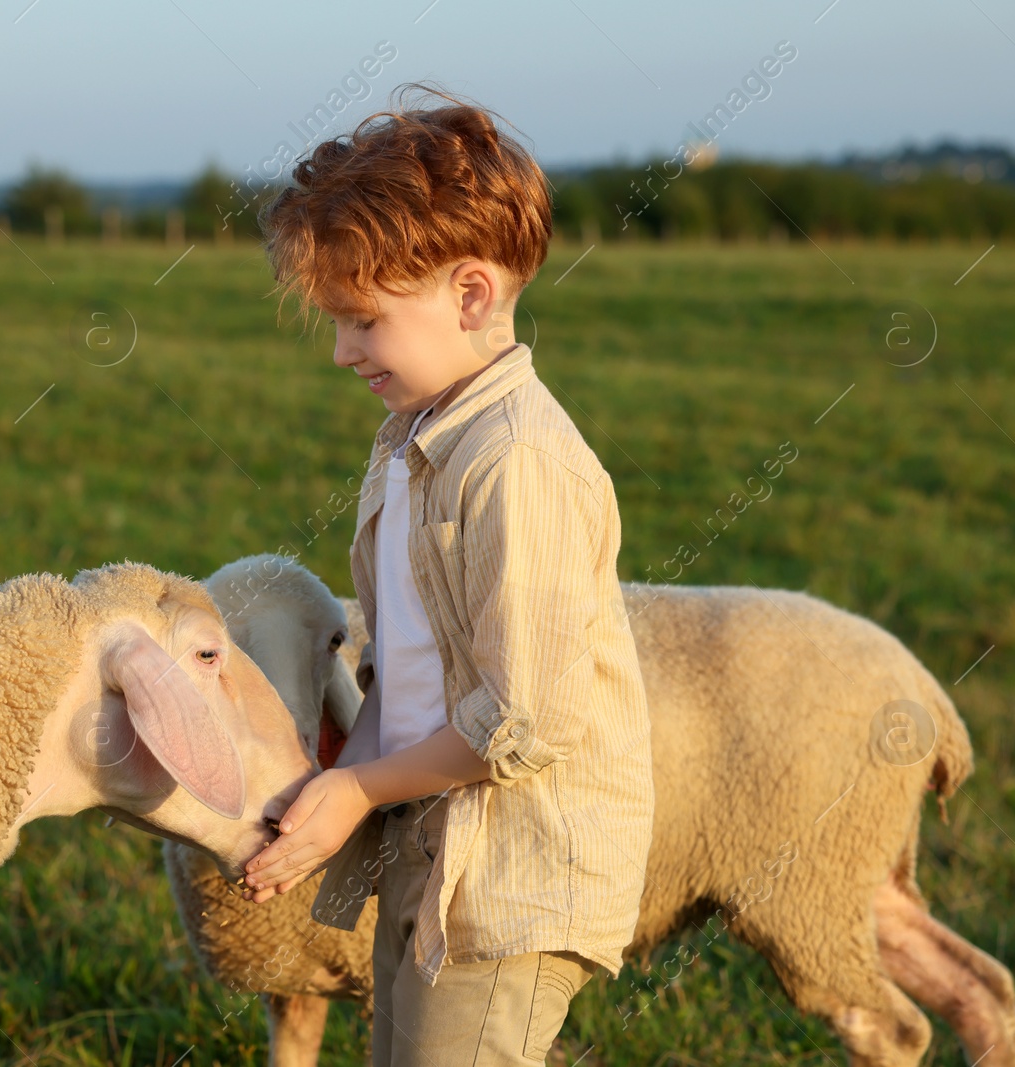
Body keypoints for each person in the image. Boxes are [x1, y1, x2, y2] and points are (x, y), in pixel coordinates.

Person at [241, 87, 656, 1066]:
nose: (342, 352)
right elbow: (411, 672)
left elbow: (526, 717)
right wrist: (334, 792)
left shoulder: (515, 462)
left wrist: (360, 789)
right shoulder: (411, 444)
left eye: (363, 321)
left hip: (509, 876)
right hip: (429, 859)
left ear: (468, 295)